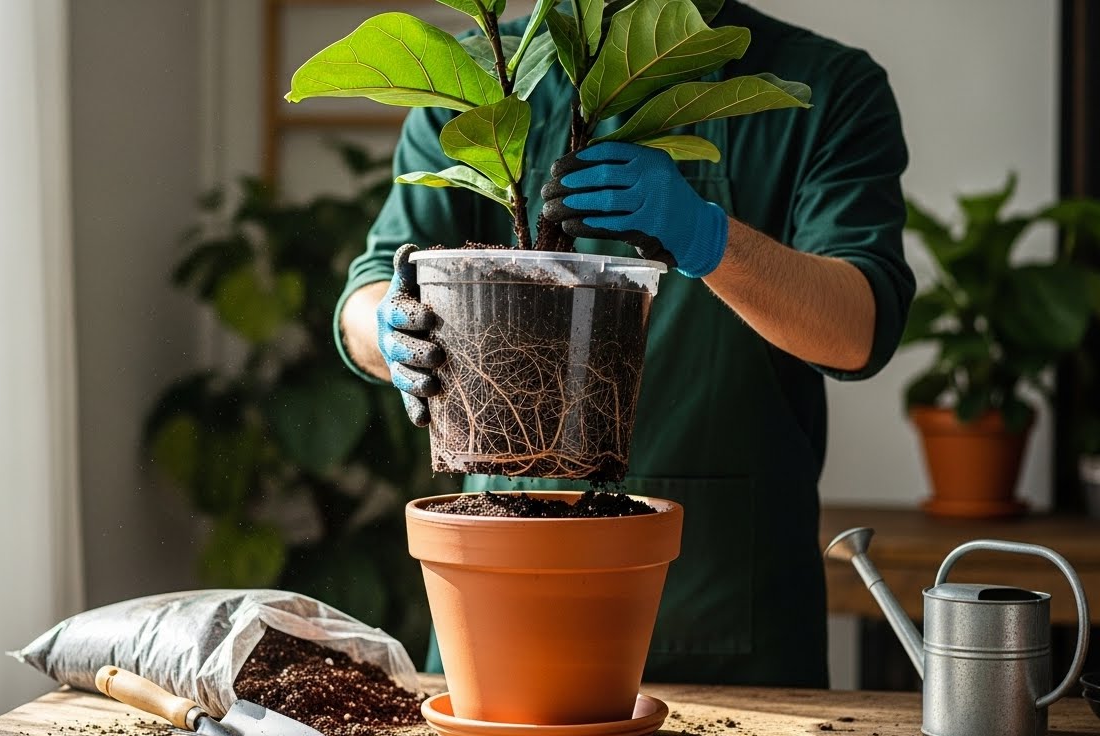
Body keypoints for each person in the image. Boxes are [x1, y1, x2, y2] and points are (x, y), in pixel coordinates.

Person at [332, 1, 914, 688]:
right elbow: (372, 287)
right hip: (504, 564)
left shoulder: (825, 87)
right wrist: (385, 329)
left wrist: (707, 238)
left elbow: (856, 330)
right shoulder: (477, 79)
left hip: (727, 596)